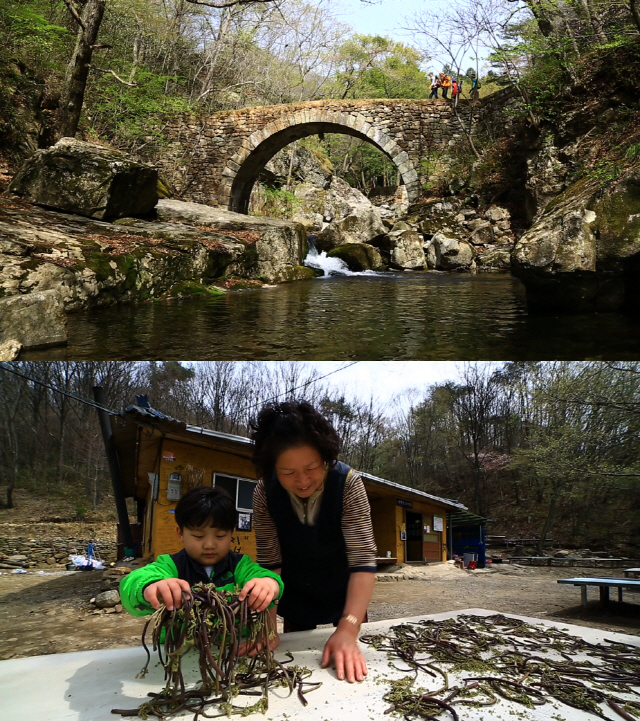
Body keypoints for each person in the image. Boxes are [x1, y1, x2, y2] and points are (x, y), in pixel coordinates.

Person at [250, 401, 377, 684]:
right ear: (272, 469)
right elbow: (270, 563)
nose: (303, 480)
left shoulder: (348, 484)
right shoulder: (263, 493)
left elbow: (363, 561)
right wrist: (268, 626)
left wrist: (348, 627)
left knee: (350, 658)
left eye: (311, 467)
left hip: (346, 585)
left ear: (327, 457)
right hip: (293, 588)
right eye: (287, 472)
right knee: (294, 659)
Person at [119, 486, 283, 618]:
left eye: (220, 536)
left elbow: (267, 578)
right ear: (180, 533)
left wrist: (269, 584)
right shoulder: (170, 566)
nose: (210, 545)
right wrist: (150, 585)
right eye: (198, 536)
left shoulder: (240, 566)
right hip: (181, 652)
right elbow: (131, 584)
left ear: (231, 534)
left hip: (232, 651)